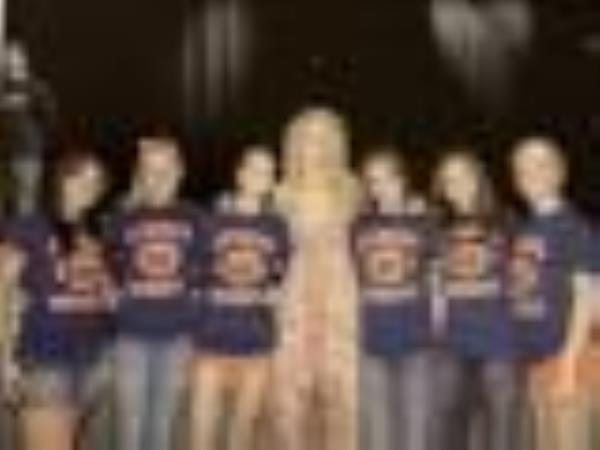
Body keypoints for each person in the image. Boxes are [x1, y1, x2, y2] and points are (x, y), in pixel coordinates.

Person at [0, 151, 114, 450]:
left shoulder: (94, 232)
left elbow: (99, 292)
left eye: (95, 182)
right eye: (78, 177)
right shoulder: (28, 225)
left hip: (90, 359)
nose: (87, 187)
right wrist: (4, 358)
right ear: (61, 180)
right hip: (45, 360)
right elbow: (3, 289)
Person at [108, 136, 205, 450]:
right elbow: (107, 267)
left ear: (180, 172)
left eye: (166, 169)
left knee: (163, 425)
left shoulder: (195, 216)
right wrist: (112, 297)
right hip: (131, 335)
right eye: (151, 170)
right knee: (130, 425)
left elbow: (208, 267)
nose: (159, 176)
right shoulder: (123, 217)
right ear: (141, 175)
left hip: (178, 336)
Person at [190, 146, 289, 450]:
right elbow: (193, 275)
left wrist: (276, 295)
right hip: (211, 342)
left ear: (273, 180)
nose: (260, 176)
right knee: (201, 436)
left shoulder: (278, 226)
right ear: (240, 174)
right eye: (254, 169)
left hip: (257, 345)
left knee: (242, 436)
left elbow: (279, 278)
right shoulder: (212, 220)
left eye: (268, 171)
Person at [274, 107, 360, 450]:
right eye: (310, 137)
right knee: (290, 397)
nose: (318, 144)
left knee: (343, 395)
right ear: (296, 143)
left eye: (325, 137)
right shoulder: (281, 193)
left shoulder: (352, 190)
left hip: (341, 299)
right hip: (295, 299)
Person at [508, 137, 596, 450]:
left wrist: (569, 365)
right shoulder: (525, 229)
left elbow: (589, 298)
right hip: (536, 363)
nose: (531, 173)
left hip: (569, 362)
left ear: (560, 171)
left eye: (540, 164)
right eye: (522, 167)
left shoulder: (575, 227)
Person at [430, 150, 517, 450]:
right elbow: (434, 280)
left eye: (463, 175)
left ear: (479, 178)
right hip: (453, 341)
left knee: (501, 429)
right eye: (449, 179)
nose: (457, 184)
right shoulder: (436, 225)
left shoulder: (506, 220)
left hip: (500, 339)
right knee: (450, 429)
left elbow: (527, 274)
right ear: (442, 188)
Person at [352, 148, 434, 450]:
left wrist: (437, 322)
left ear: (402, 179)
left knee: (415, 432)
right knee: (378, 434)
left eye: (388, 178)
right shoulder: (358, 225)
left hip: (416, 339)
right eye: (374, 180)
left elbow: (438, 275)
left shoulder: (425, 220)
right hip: (371, 340)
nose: (382, 186)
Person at [0, 40, 56, 215]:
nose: (10, 61)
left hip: (27, 156)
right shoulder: (3, 87)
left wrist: (35, 142)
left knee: (24, 204)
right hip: (5, 154)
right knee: (5, 201)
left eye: (14, 56)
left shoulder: (37, 87)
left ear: (23, 59)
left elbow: (49, 119)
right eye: (6, 57)